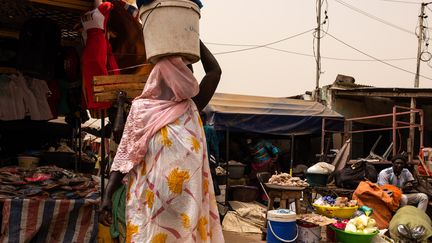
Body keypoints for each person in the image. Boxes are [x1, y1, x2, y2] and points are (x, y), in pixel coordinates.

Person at [99, 41, 224, 242]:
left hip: (186, 214)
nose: (188, 78)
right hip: (151, 210)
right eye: (183, 73)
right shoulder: (141, 111)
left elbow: (214, 72)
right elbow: (124, 156)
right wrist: (107, 196)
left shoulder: (191, 106)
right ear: (166, 78)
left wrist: (192, 38)